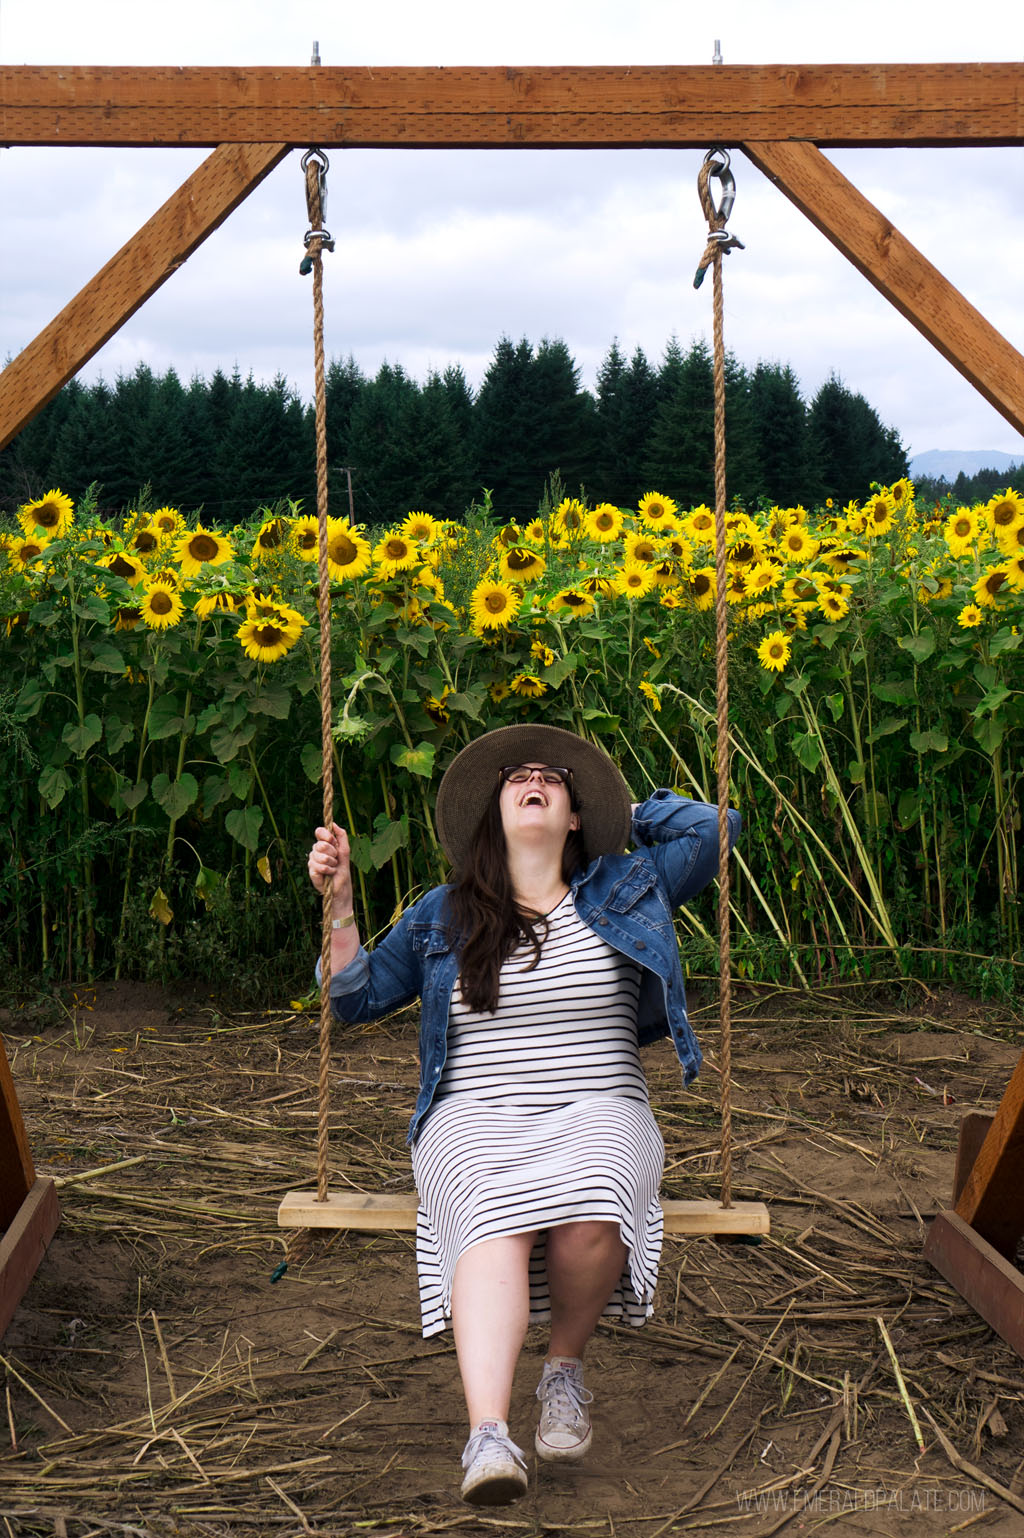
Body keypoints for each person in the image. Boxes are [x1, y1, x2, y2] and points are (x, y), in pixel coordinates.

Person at [307, 722, 739, 1506]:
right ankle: (488, 1436)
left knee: (600, 1192)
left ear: (575, 814)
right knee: (486, 1214)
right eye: (516, 777)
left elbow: (714, 827)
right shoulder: (444, 914)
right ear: (490, 814)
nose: (534, 781)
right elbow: (355, 1000)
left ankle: (564, 1370)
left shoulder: (627, 883)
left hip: (599, 1104)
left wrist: (611, 807)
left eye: (552, 779)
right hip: (472, 1113)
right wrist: (339, 906)